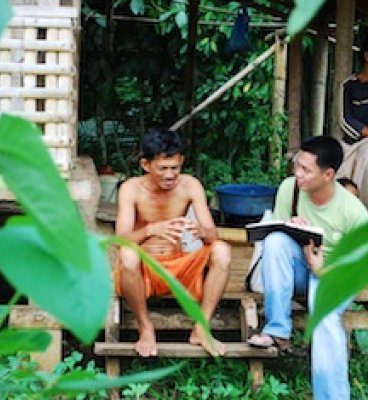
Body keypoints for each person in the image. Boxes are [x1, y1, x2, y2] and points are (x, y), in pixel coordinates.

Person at [247, 136, 368, 399]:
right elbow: (275, 232)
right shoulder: (289, 189)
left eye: (306, 170)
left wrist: (322, 268)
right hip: (301, 264)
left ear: (328, 175)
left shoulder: (354, 213)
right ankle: (278, 330)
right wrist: (291, 226)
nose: (297, 174)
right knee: (277, 241)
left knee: (323, 317)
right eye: (297, 166)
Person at [114, 127, 231, 357]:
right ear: (146, 165)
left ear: (182, 162)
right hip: (144, 271)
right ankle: (145, 328)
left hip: (180, 270)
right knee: (127, 255)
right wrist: (150, 229)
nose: (170, 175)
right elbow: (120, 239)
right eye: (163, 169)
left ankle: (201, 327)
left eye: (175, 168)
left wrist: (201, 231)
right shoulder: (131, 189)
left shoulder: (190, 185)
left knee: (222, 251)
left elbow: (212, 235)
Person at [337, 37, 368, 207]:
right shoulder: (349, 85)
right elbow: (344, 118)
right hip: (351, 144)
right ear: (366, 56)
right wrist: (365, 132)